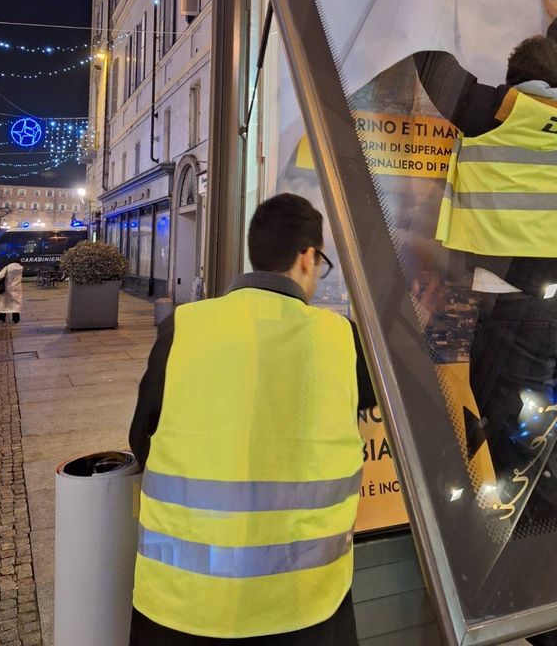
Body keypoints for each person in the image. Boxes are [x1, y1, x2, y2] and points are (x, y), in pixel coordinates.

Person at [414, 0, 557, 646]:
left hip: (519, 305)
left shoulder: (500, 111)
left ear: (520, 84)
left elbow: (432, 67)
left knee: (524, 461)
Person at [129, 193, 375, 645]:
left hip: (182, 603)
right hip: (303, 603)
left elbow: (141, 439)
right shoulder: (340, 338)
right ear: (307, 256)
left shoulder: (183, 327)